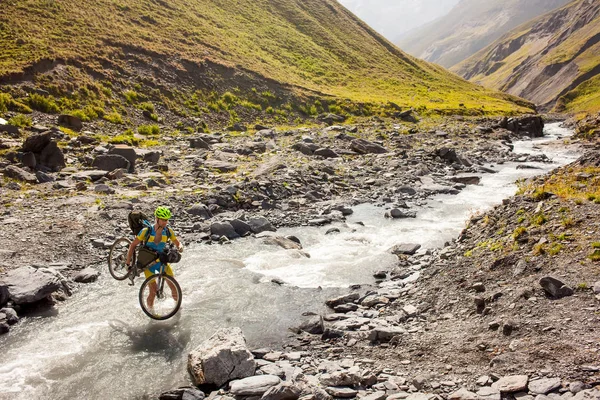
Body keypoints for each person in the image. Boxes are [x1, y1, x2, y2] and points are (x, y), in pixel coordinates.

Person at [125, 206, 183, 313]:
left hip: (162, 263)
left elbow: (177, 242)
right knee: (153, 291)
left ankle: (178, 310)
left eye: (166, 220)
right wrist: (128, 263)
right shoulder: (146, 231)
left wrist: (180, 247)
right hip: (149, 264)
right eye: (163, 220)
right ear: (157, 219)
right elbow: (133, 246)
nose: (165, 222)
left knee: (174, 288)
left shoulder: (168, 231)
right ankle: (151, 312)